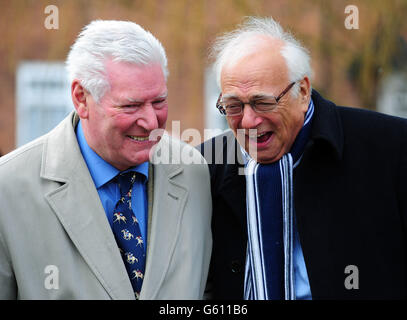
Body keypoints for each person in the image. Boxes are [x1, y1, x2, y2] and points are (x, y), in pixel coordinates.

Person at [0, 20, 212, 300]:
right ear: (81, 99)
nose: (151, 122)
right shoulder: (9, 188)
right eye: (131, 105)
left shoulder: (194, 172)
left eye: (159, 102)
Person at [200, 17, 407, 300]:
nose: (248, 121)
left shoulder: (390, 146)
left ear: (303, 91)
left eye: (263, 102)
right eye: (233, 106)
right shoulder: (205, 165)